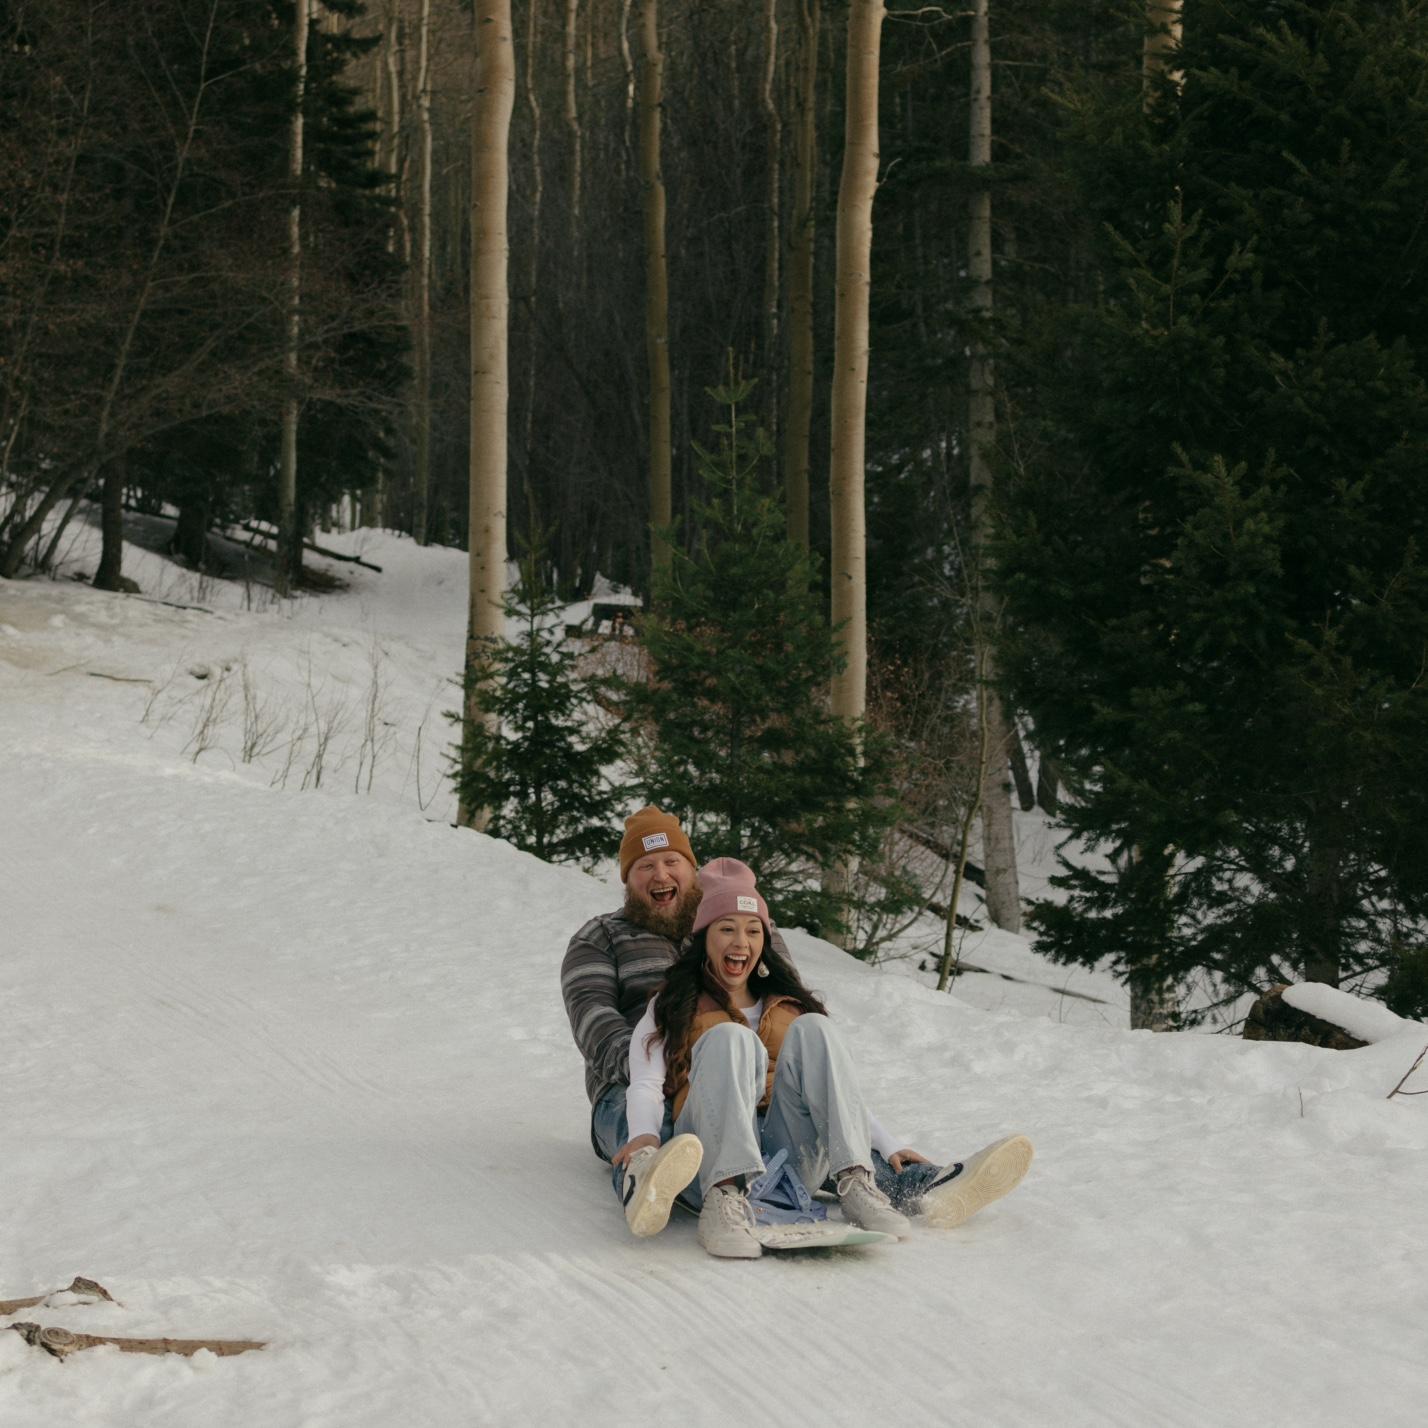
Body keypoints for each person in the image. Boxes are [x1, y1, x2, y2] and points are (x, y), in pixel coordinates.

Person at [561, 810, 1032, 1246]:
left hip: (751, 1083)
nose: (661, 875)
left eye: (671, 862)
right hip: (638, 1084)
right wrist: (677, 1065)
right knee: (655, 1130)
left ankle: (912, 1183)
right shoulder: (601, 938)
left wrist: (777, 1086)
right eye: (645, 866)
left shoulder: (742, 928)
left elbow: (791, 1028)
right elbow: (595, 1025)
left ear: (692, 869)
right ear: (627, 879)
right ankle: (645, 1179)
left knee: (802, 1090)